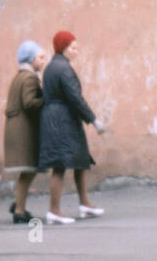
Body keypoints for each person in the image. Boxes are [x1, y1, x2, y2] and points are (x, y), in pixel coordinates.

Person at [38, 31, 106, 225]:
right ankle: (54, 211)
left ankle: (84, 204)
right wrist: (94, 120)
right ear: (62, 48)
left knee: (81, 159)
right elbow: (75, 97)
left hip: (56, 118)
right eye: (73, 48)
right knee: (60, 165)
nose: (76, 51)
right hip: (63, 120)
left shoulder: (52, 66)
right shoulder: (63, 69)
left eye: (77, 47)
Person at [3, 40, 47, 223]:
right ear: (31, 60)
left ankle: (17, 202)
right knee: (29, 170)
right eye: (40, 57)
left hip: (16, 129)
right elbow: (29, 103)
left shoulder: (19, 76)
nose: (44, 61)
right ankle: (19, 210)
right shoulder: (30, 78)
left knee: (28, 170)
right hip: (24, 132)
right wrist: (47, 99)